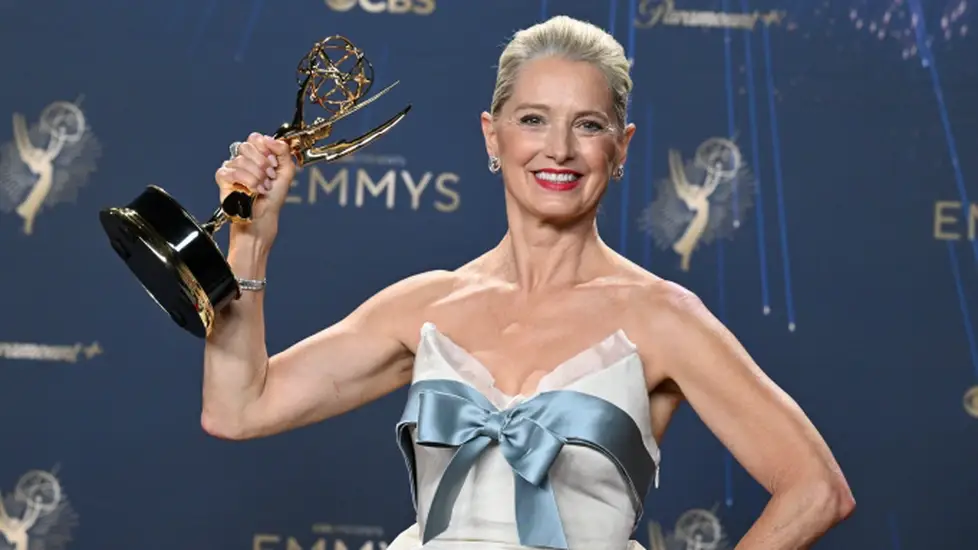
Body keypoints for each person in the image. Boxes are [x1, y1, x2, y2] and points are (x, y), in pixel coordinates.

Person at [202, 15, 854, 550]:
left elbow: (816, 489)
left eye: (589, 125)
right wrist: (249, 241)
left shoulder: (663, 318)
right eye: (534, 119)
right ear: (494, 136)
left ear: (621, 148)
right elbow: (238, 408)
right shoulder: (426, 305)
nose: (560, 150)